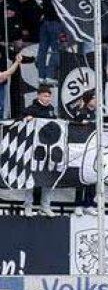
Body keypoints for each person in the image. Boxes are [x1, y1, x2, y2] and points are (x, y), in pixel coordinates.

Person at [22, 84, 57, 217]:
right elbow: (19, 121)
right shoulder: (31, 109)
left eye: (49, 96)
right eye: (45, 96)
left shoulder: (51, 110)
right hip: (33, 149)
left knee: (48, 177)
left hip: (48, 149)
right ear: (39, 96)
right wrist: (26, 119)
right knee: (31, 177)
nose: (47, 99)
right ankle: (28, 205)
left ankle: (45, 206)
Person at [71, 90, 98, 216]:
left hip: (94, 149)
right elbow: (74, 125)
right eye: (94, 98)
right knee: (80, 178)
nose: (96, 101)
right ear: (88, 100)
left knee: (92, 177)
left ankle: (89, 203)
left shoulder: (97, 113)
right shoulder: (81, 112)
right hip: (82, 150)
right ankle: (78, 204)